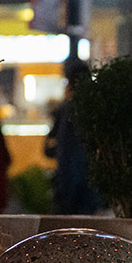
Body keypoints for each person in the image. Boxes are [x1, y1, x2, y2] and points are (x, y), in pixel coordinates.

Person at [44, 58, 104, 214]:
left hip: (72, 189)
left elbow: (63, 150)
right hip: (92, 190)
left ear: (70, 83)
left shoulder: (68, 110)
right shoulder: (96, 110)